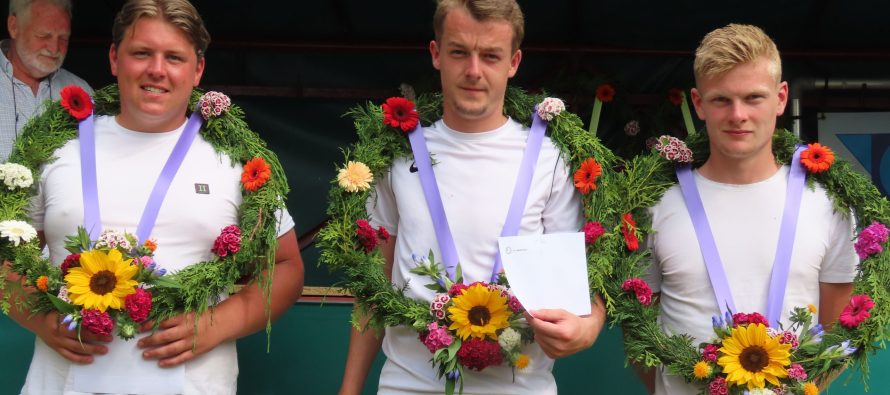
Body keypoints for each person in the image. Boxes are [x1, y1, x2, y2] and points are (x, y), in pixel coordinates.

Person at [5, 0, 304, 394]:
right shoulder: (58, 149)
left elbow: (285, 266)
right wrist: (39, 319)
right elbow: (6, 260)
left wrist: (218, 323)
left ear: (197, 70)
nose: (156, 70)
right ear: (114, 59)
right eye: (141, 53)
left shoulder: (236, 162)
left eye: (174, 57)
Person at [338, 1, 606, 394]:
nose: (474, 71)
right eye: (459, 52)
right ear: (436, 54)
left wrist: (589, 326)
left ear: (513, 62)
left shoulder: (552, 159)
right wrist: (348, 389)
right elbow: (374, 283)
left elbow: (577, 280)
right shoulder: (395, 155)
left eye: (491, 56)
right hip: (407, 386)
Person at [641, 24, 857, 394]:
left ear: (780, 97)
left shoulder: (827, 204)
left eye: (754, 98)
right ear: (698, 103)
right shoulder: (657, 205)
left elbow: (835, 333)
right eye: (721, 99)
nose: (737, 115)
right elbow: (640, 337)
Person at [2, 0, 92, 162]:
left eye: (63, 38)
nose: (54, 48)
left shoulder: (81, 91)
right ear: (14, 27)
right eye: (44, 35)